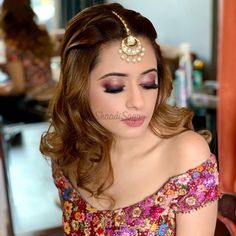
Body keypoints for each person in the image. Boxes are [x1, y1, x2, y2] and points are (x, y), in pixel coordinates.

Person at [40, 3, 220, 235]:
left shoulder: (184, 154)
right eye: (116, 87)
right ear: (79, 87)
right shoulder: (68, 153)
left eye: (148, 84)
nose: (138, 102)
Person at [0, 0, 55, 123]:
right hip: (52, 88)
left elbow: (19, 87)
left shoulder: (12, 44)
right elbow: (33, 62)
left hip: (35, 99)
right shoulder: (42, 33)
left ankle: (13, 137)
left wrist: (2, 89)